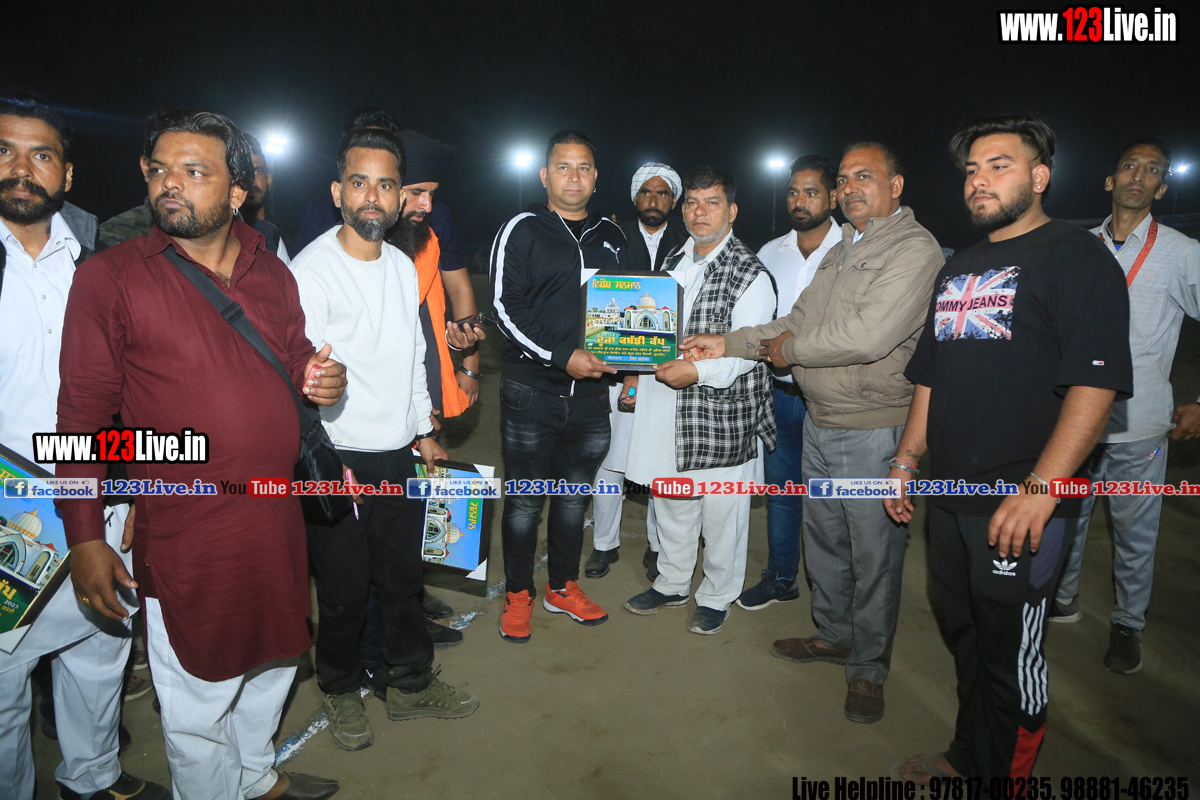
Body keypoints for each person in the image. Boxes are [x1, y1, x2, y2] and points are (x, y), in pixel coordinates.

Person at [55, 108, 346, 800]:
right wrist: (85, 537)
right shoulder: (110, 278)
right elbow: (82, 419)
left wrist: (320, 377)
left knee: (275, 663)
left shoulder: (271, 272)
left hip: (275, 517)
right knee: (197, 694)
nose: (169, 184)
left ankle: (256, 775)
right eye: (159, 170)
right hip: (188, 529)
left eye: (193, 171)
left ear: (238, 190)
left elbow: (295, 355)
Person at [886, 113, 1132, 783]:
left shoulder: (1076, 257)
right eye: (972, 170)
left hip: (1022, 502)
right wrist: (906, 461)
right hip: (951, 496)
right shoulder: (959, 267)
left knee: (1011, 659)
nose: (980, 180)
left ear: (1040, 177)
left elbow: (1095, 383)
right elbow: (930, 376)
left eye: (999, 166)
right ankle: (970, 757)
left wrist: (1042, 490)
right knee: (965, 636)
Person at [683, 142, 943, 723]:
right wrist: (725, 343)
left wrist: (789, 351)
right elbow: (796, 318)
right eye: (844, 179)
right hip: (822, 418)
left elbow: (868, 336)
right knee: (824, 543)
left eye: (864, 177)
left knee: (873, 555)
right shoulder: (845, 247)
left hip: (873, 428)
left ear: (896, 185)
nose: (849, 189)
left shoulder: (913, 249)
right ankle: (833, 636)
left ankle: (868, 668)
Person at [0, 93, 167, 800]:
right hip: (7, 513)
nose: (21, 168)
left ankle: (92, 779)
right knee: (3, 684)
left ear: (66, 174)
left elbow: (138, 389)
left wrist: (135, 490)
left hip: (95, 495)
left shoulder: (104, 261)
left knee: (101, 650)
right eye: (4, 151)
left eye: (41, 155)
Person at [291, 126, 479, 752]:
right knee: (344, 592)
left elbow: (412, 357)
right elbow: (299, 376)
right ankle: (341, 687)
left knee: (402, 582)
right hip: (338, 459)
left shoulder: (402, 265)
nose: (372, 196)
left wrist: (423, 430)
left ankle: (411, 684)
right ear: (338, 192)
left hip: (397, 454)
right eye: (359, 182)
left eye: (386, 185)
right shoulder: (310, 271)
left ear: (400, 197)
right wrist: (320, 440)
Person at [1048, 139, 1200, 673]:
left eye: (1152, 169)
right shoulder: (1078, 247)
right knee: (1068, 516)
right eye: (1130, 166)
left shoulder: (1180, 252)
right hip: (1075, 422)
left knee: (1136, 531)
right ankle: (1062, 598)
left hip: (1141, 424)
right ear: (1110, 181)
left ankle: (1128, 623)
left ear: (1161, 187)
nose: (1139, 175)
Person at [622, 166, 777, 635]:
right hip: (665, 408)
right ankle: (672, 583)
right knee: (672, 502)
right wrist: (632, 368)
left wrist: (696, 371)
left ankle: (717, 595)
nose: (699, 212)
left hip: (721, 412)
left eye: (712, 202)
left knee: (722, 514)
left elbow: (748, 352)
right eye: (691, 202)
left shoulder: (750, 274)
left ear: (732, 211)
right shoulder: (674, 259)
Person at [490, 129, 629, 643]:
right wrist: (560, 355)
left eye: (584, 167)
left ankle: (562, 587)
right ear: (545, 175)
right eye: (564, 167)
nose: (574, 177)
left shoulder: (612, 235)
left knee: (573, 498)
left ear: (596, 176)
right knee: (526, 500)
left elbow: (629, 305)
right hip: (533, 392)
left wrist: (634, 361)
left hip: (592, 396)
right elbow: (504, 306)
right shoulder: (522, 228)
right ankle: (518, 594)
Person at [735, 154, 843, 612]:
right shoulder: (769, 253)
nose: (800, 201)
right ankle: (781, 578)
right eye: (794, 192)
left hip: (829, 398)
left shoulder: (852, 249)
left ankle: (838, 594)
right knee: (781, 494)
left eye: (811, 192)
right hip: (778, 394)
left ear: (833, 197)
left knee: (830, 502)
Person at [585, 162, 687, 581]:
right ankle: (603, 544)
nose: (654, 200)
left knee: (660, 463)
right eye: (646, 192)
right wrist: (628, 370)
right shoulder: (612, 238)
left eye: (662, 193)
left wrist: (646, 370)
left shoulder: (689, 241)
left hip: (668, 374)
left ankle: (658, 546)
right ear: (635, 197)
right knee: (610, 461)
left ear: (673, 201)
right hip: (613, 369)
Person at [242, 133, 291, 263]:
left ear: (269, 180)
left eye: (258, 171)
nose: (251, 180)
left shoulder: (288, 236)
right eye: (244, 172)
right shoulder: (220, 234)